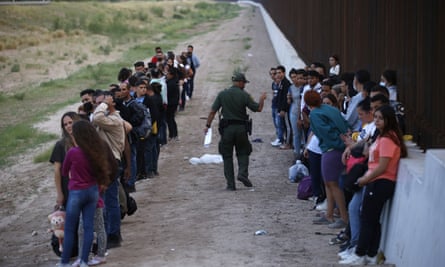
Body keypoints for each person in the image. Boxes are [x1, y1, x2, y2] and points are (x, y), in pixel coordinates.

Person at [340, 105, 407, 265]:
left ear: (388, 120)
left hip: (380, 182)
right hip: (377, 181)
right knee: (372, 219)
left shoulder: (387, 139)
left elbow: (382, 166)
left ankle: (360, 253)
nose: (376, 121)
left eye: (380, 118)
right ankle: (370, 253)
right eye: (375, 117)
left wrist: (365, 179)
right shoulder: (382, 137)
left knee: (367, 219)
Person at [59, 120, 112, 267]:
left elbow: (64, 171)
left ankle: (70, 260)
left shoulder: (73, 152)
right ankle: (86, 259)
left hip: (78, 192)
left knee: (73, 228)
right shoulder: (96, 151)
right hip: (94, 192)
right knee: (91, 227)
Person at [204, 73, 266, 190]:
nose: (244, 85)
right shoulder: (244, 95)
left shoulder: (222, 94)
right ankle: (242, 173)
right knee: (243, 152)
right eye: (244, 83)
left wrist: (207, 125)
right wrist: (261, 99)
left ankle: (230, 184)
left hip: (227, 130)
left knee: (227, 156)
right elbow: (258, 108)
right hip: (241, 129)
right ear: (240, 82)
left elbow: (213, 111)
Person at [305, 90, 350, 229]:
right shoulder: (329, 109)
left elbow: (325, 132)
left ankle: (343, 217)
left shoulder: (314, 114)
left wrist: (338, 143)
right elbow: (343, 124)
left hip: (331, 150)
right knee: (329, 183)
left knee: (332, 184)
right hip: (337, 148)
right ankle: (329, 214)